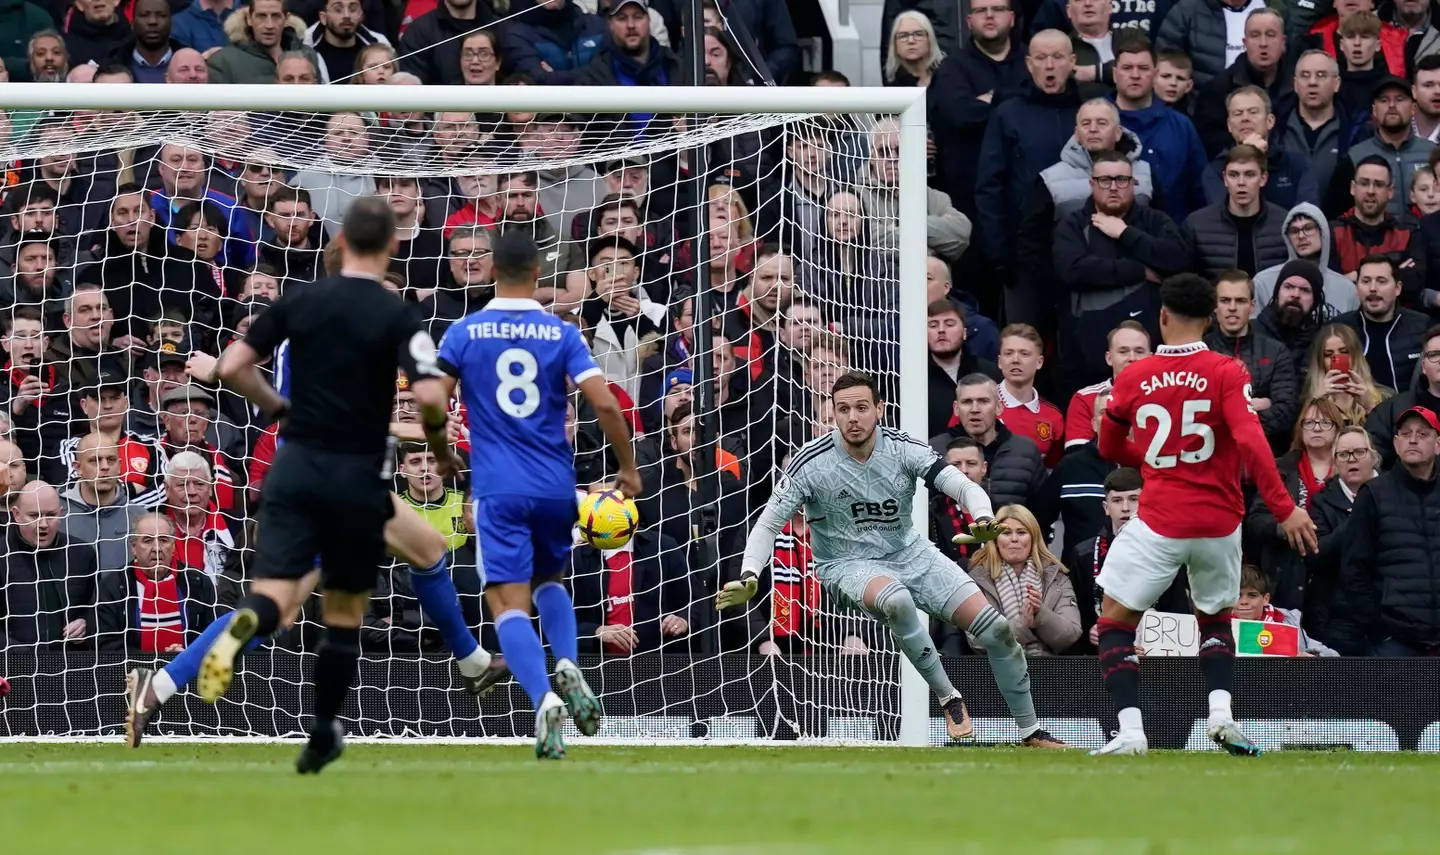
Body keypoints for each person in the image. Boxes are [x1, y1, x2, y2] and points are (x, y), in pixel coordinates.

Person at [160, 197, 472, 773]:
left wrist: (277, 407)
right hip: (356, 476)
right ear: (392, 246)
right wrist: (440, 446)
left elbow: (229, 367)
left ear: (342, 239)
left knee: (277, 594)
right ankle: (324, 730)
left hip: (293, 464)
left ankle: (236, 630)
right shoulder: (396, 314)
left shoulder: (297, 299)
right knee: (345, 609)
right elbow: (431, 396)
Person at [717, 372, 1066, 749]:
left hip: (911, 554)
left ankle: (1032, 732)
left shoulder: (902, 449)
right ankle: (948, 696)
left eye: (862, 408)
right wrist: (751, 572)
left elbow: (962, 484)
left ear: (879, 410)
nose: (853, 417)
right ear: (833, 413)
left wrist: (983, 518)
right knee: (896, 599)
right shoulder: (810, 461)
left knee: (997, 631)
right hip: (846, 564)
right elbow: (768, 522)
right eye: (844, 409)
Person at [1091, 273, 1318, 756]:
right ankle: (1221, 716)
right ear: (1211, 317)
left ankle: (1131, 733)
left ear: (1162, 317)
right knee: (1215, 618)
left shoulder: (1134, 375)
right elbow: (1253, 443)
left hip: (1160, 520)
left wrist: (1154, 456)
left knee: (1114, 623)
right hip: (1219, 523)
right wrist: (1285, 509)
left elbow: (1108, 444)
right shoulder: (1227, 371)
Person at [435, 229, 640, 760]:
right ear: (538, 274)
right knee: (551, 579)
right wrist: (628, 469)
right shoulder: (562, 332)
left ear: (493, 270)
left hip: (498, 487)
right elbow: (606, 405)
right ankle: (569, 661)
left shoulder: (463, 331)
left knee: (507, 601)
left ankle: (544, 697)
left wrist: (442, 450)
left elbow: (433, 400)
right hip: (555, 485)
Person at [1342, 405, 1440, 655]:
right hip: (1394, 640)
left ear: (1438, 444)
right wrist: (1378, 630)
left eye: (1422, 433)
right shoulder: (1374, 494)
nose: (1413, 440)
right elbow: (1354, 568)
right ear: (1395, 444)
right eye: (1406, 434)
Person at [1245, 396, 1344, 606]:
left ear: (1337, 429)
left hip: (1335, 573)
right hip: (1285, 572)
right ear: (1300, 429)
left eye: (1325, 422)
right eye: (1309, 423)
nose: (1316, 428)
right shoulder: (1280, 468)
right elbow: (1255, 520)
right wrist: (1283, 526)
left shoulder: (1349, 469)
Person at [966, 504, 1081, 656]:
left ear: (1033, 538)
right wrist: (1021, 625)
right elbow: (976, 640)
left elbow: (1071, 634)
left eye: (1021, 533)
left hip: (1049, 670)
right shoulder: (977, 580)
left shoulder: (1057, 578)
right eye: (1006, 533)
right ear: (995, 540)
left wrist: (1041, 615)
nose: (1014, 539)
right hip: (996, 671)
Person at [1203, 270, 1298, 450]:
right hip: (1214, 457)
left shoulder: (1276, 351)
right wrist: (1256, 406)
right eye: (1225, 300)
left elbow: (1285, 414)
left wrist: (1227, 419)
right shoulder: (1201, 351)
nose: (1232, 307)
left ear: (1252, 306)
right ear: (1215, 307)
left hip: (1265, 454)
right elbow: (1196, 414)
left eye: (1240, 301)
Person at [1306, 425, 1378, 654]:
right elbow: (1316, 554)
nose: (1351, 459)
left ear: (1373, 456)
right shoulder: (1322, 501)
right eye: (1344, 454)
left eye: (1359, 452)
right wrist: (1357, 517)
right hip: (1337, 616)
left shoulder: (1393, 492)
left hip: (1386, 611)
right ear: (1335, 463)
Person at [1185, 145, 1290, 278]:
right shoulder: (1196, 225)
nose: (1241, 182)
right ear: (1224, 179)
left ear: (1263, 179)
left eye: (1250, 174)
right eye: (1233, 175)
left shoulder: (1285, 223)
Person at [1069, 466, 1142, 647]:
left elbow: (1177, 613)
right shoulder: (1084, 554)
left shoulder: (1168, 553)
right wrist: (1088, 632)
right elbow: (1074, 613)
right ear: (1106, 507)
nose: (1125, 508)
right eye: (1117, 500)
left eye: (1133, 499)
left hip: (1155, 663)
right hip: (1099, 659)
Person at [1335, 254, 1429, 393]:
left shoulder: (1424, 327)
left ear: (1397, 288)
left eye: (1381, 281)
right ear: (1357, 287)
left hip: (1409, 412)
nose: (1373, 288)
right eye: (1366, 281)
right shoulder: (1338, 329)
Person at [1251, 202, 1360, 314]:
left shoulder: (1346, 289)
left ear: (1323, 232)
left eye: (1308, 228)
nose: (1301, 236)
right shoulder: (1263, 282)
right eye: (1294, 231)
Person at [1063, 321, 1151, 449]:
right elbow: (1077, 459)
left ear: (1152, 358)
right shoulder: (1085, 398)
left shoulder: (1167, 394)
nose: (1132, 358)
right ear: (1109, 358)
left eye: (1139, 351)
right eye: (1123, 351)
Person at [1233, 564, 1339, 656]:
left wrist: (1311, 657)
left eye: (1252, 595)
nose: (1244, 601)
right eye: (1237, 595)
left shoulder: (1290, 621)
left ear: (1266, 599)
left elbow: (1334, 656)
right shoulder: (1219, 627)